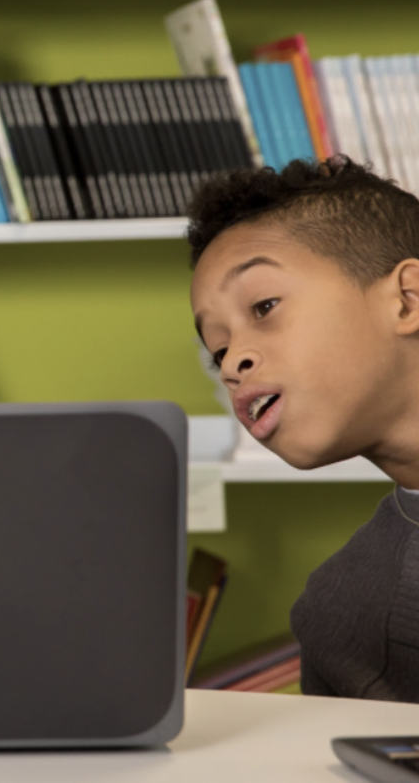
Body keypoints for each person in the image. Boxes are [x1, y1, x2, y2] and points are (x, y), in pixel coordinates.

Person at [188, 156, 419, 702]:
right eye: (217, 347)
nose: (230, 362)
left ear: (408, 298)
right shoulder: (346, 612)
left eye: (264, 306)